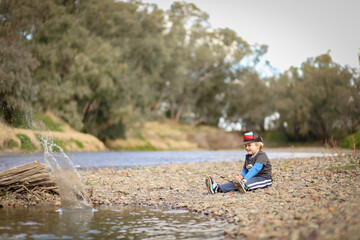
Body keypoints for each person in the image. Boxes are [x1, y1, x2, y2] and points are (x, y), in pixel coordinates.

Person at [205, 131, 272, 194]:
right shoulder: (248, 156)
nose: (247, 147)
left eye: (249, 145)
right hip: (251, 177)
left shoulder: (262, 155)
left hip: (264, 178)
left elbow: (256, 169)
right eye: (245, 146)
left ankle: (245, 186)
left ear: (258, 146)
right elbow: (245, 170)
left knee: (252, 182)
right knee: (236, 182)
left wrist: (245, 179)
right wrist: (241, 176)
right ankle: (217, 188)